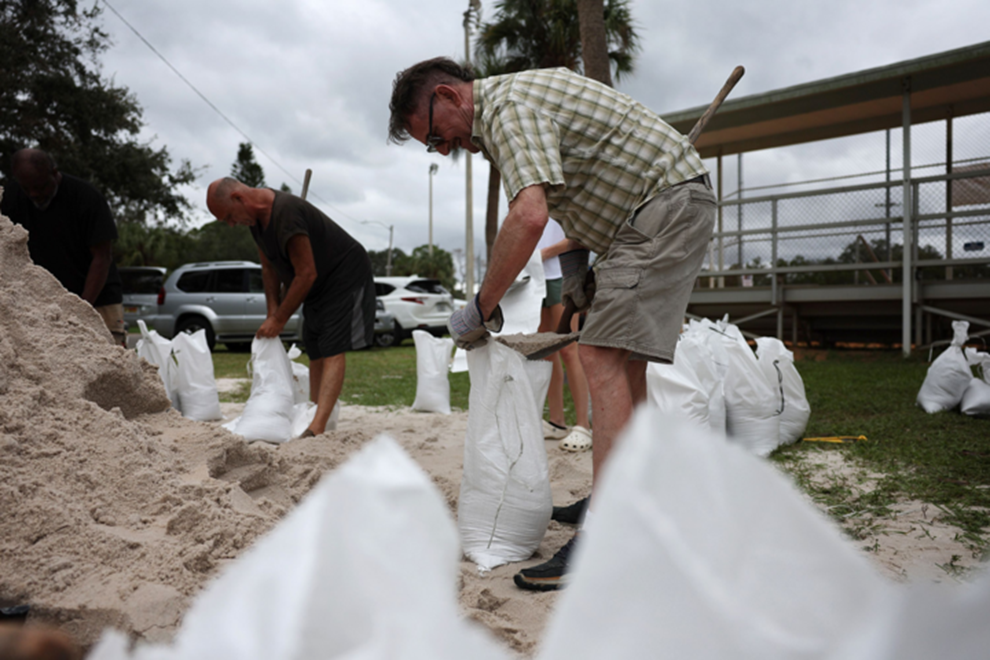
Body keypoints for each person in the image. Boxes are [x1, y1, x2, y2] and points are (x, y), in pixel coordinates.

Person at [388, 58, 716, 590]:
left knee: (600, 357)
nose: (443, 149)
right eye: (433, 147)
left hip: (664, 205)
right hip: (655, 209)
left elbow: (529, 216)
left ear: (447, 97)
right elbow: (582, 187)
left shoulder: (506, 109)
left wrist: (480, 307)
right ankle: (629, 490)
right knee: (622, 359)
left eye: (434, 137)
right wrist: (579, 269)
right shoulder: (512, 109)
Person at [206, 178, 376, 438]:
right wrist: (272, 311)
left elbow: (306, 274)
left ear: (239, 198)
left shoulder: (287, 214)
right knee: (315, 344)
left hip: (343, 274)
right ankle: (313, 414)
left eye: (229, 216)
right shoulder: (256, 223)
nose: (231, 224)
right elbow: (269, 267)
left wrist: (280, 319)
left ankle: (317, 427)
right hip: (318, 281)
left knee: (332, 344)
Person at [1, 148, 125, 346]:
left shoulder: (87, 198)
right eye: (27, 188)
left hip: (98, 298)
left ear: (54, 172)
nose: (34, 194)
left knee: (109, 356)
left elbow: (102, 257)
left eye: (40, 187)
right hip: (45, 302)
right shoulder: (12, 198)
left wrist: (79, 308)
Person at [537, 219, 592, 451]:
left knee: (569, 350)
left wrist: (546, 253)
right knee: (545, 350)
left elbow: (583, 234)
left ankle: (583, 425)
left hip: (564, 273)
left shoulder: (570, 187)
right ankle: (557, 422)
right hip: (536, 277)